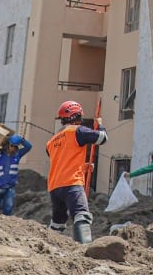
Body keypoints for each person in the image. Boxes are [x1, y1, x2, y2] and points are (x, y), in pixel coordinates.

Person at [46, 101, 108, 243]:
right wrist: (100, 125)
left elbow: (63, 160)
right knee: (81, 215)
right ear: (78, 115)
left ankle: (49, 247)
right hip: (72, 183)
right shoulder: (77, 131)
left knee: (58, 222)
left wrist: (84, 166)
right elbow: (103, 138)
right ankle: (84, 249)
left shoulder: (51, 141)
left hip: (55, 186)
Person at [0, 132, 34, 216]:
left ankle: (6, 224)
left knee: (9, 207)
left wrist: (21, 140)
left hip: (9, 188)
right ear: (8, 145)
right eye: (12, 146)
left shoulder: (17, 155)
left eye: (16, 147)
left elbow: (28, 147)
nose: (14, 149)